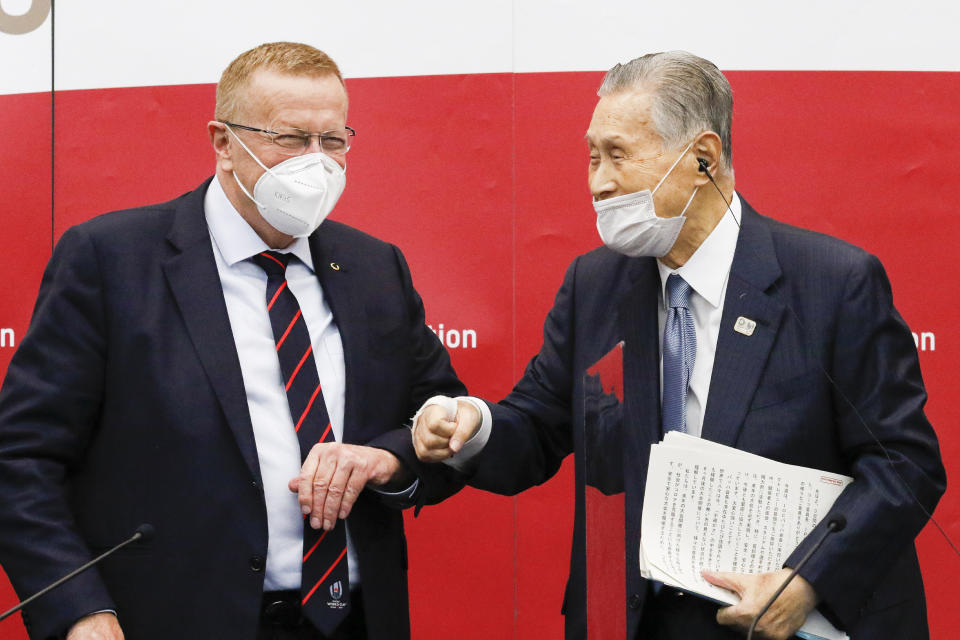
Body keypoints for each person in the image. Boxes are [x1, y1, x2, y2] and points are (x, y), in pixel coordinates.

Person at [410, 51, 946, 639]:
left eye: (617, 155)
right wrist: (471, 424)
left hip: (789, 623)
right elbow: (537, 426)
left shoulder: (833, 282)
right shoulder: (594, 284)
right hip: (635, 621)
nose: (598, 182)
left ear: (703, 158)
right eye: (591, 156)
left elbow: (904, 463)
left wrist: (807, 579)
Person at [0, 42, 466, 640]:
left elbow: (440, 419)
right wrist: (79, 610)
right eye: (293, 139)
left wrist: (389, 457)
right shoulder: (110, 260)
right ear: (223, 141)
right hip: (168, 621)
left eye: (335, 141)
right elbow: (22, 458)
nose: (317, 162)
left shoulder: (375, 266)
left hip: (350, 620)